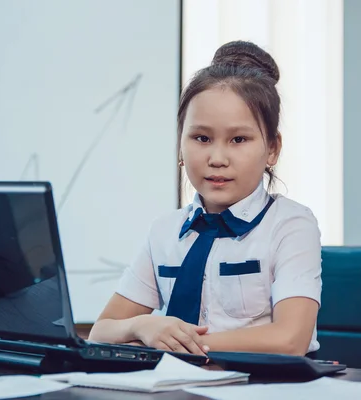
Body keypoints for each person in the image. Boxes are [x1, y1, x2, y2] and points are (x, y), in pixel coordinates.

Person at [88, 40, 322, 357]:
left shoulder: (290, 224)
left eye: (238, 139)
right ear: (180, 145)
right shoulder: (164, 231)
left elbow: (289, 340)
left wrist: (179, 347)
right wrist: (143, 326)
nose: (217, 158)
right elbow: (101, 331)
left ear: (272, 149)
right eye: (202, 138)